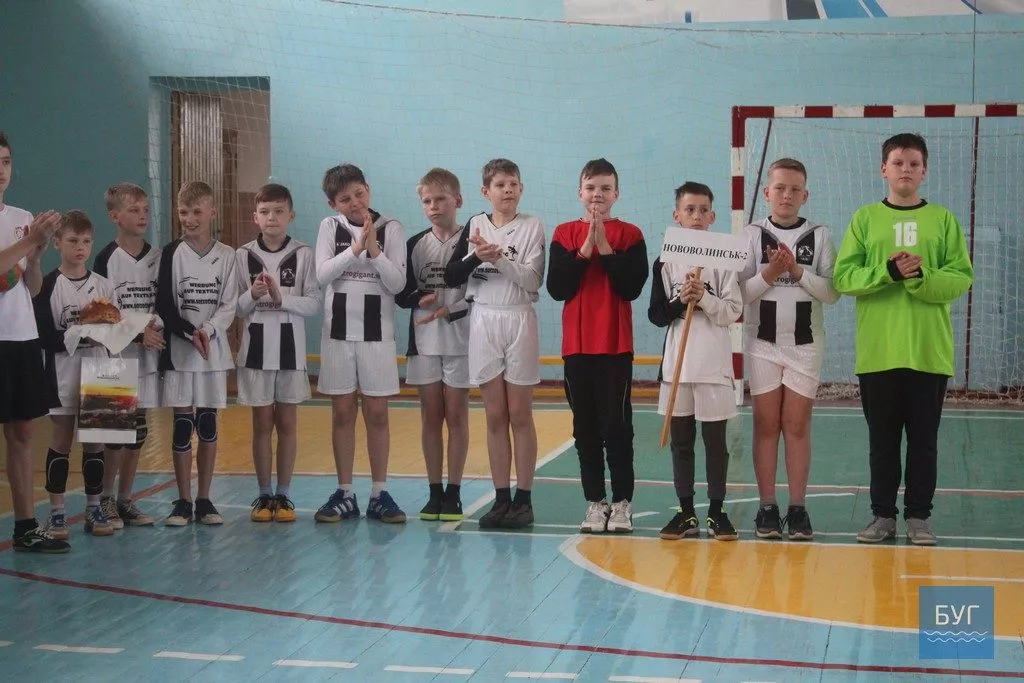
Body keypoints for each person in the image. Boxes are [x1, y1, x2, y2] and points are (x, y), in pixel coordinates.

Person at [834, 133, 973, 546]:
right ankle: (882, 516)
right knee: (882, 443)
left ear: (924, 171)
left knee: (924, 442)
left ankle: (919, 518)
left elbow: (961, 278)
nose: (906, 170)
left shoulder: (943, 220)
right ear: (884, 169)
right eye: (898, 162)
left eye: (914, 163)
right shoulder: (865, 219)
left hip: (928, 351)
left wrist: (920, 277)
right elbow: (844, 278)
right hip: (879, 351)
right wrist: (888, 273)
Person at [738, 158, 840, 541]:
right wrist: (769, 274)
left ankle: (798, 507)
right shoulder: (752, 235)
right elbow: (738, 294)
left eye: (795, 189)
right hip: (762, 345)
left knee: (796, 425)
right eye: (779, 188)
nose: (786, 195)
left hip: (805, 346)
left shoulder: (820, 235)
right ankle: (767, 507)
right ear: (767, 192)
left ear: (805, 195)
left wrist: (797, 272)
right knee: (766, 424)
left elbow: (832, 292)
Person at [546, 158, 648, 534]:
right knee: (585, 428)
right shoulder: (564, 233)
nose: (597, 195)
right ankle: (595, 502)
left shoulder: (631, 235)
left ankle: (621, 503)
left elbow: (631, 287)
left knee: (616, 427)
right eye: (591, 188)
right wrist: (585, 248)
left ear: (616, 194)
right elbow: (557, 288)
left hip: (615, 348)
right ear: (580, 193)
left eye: (605, 188)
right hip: (576, 348)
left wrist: (605, 248)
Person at [445, 158, 546, 529]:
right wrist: (475, 255)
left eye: (513, 184)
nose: (508, 190)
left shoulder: (533, 226)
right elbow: (452, 275)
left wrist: (499, 259)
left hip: (519, 318)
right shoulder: (475, 225)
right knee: (494, 415)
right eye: (500, 185)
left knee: (519, 413)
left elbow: (533, 281)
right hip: (484, 319)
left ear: (521, 188)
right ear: (486, 191)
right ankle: (501, 498)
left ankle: (525, 499)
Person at [314, 164, 408, 524]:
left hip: (377, 335)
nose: (354, 202)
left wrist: (375, 251)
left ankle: (379, 492)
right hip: (337, 334)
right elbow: (322, 274)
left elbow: (397, 284)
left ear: (368, 188)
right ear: (333, 204)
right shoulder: (329, 227)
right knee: (341, 413)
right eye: (345, 199)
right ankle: (345, 492)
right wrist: (356, 250)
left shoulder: (391, 227)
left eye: (359, 193)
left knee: (378, 413)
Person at [650, 182, 742, 541]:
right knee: (681, 442)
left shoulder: (726, 259)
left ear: (713, 216)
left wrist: (703, 298)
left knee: (715, 443)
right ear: (677, 215)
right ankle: (686, 512)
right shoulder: (664, 260)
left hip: (714, 364)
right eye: (689, 210)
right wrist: (680, 301)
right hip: (678, 364)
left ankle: (717, 512)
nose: (697, 216)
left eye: (704, 210)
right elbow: (657, 314)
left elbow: (732, 311)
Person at [156, 181, 239, 526]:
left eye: (196, 212)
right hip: (180, 353)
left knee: (207, 425)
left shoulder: (228, 255)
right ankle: (183, 501)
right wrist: (191, 333)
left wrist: (208, 330)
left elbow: (229, 305)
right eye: (183, 212)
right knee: (181, 427)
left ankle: (204, 499)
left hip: (212, 354)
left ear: (212, 213)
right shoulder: (171, 253)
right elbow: (165, 305)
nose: (189, 219)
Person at [236, 183, 321, 523]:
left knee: (287, 423)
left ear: (291, 215)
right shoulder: (241, 255)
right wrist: (252, 295)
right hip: (255, 352)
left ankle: (283, 495)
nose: (272, 217)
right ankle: (263, 494)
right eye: (265, 211)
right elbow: (235, 308)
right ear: (255, 217)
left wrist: (281, 298)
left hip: (291, 351)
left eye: (278, 211)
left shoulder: (304, 254)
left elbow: (314, 304)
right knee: (261, 424)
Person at [0, 131, 67, 552]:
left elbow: (33, 287)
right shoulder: (24, 229)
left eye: (6, 162)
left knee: (23, 431)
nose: (1, 171)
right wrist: (29, 241)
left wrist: (37, 257)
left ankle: (25, 526)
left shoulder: (21, 216)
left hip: (22, 338)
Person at [33, 210, 117, 544]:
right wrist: (82, 331)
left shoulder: (104, 285)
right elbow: (45, 337)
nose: (80, 248)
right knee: (62, 439)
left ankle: (94, 508)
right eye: (72, 241)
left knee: (96, 441)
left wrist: (117, 331)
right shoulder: (48, 285)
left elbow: (117, 332)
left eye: (85, 242)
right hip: (63, 373)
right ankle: (56, 511)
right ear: (57, 243)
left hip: (100, 370)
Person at [396, 168, 472, 522]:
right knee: (430, 416)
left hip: (460, 341)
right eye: (427, 201)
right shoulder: (414, 245)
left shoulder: (472, 242)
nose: (433, 206)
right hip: (424, 342)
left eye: (440, 199)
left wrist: (450, 309)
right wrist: (418, 299)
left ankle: (454, 492)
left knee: (456, 416)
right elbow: (401, 292)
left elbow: (479, 292)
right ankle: (434, 491)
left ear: (458, 200)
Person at [93, 182, 163, 528]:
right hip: (113, 356)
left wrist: (154, 327)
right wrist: (136, 332)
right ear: (115, 216)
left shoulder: (158, 257)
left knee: (137, 432)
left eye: (145, 210)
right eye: (133, 210)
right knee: (112, 434)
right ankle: (104, 500)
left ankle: (125, 500)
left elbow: (164, 304)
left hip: (147, 358)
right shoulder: (105, 259)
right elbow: (101, 313)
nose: (142, 215)